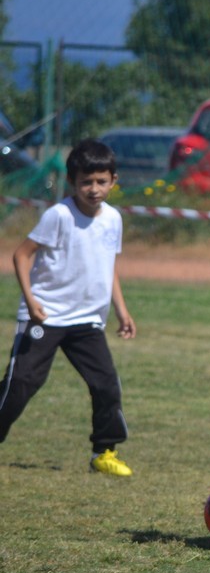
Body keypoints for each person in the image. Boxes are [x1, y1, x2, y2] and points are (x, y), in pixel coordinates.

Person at [0, 139, 137, 476]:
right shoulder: (59, 215)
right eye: (86, 182)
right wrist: (31, 300)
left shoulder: (113, 219)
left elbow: (108, 267)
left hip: (87, 320)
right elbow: (21, 255)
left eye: (101, 181)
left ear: (114, 181)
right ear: (72, 182)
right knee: (21, 384)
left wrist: (122, 311)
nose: (94, 189)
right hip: (45, 315)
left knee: (106, 385)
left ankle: (104, 452)